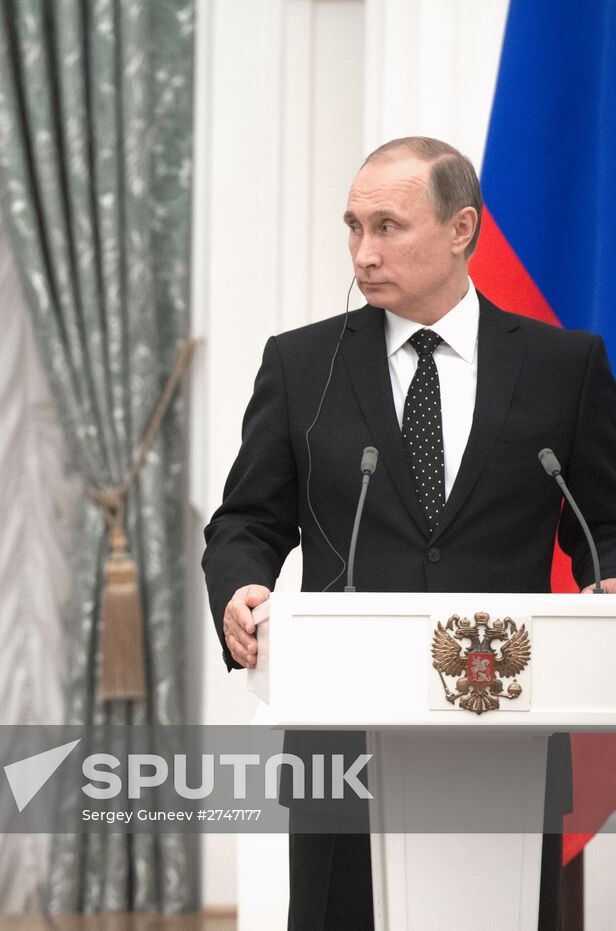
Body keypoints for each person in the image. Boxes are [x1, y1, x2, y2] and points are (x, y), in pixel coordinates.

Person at [202, 136, 616, 930]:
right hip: (342, 727)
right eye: (353, 227)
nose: (363, 252)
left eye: (388, 226)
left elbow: (613, 521)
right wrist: (240, 586)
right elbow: (247, 519)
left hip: (506, 723)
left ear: (462, 228)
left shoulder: (566, 366)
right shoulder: (301, 364)